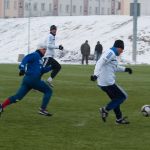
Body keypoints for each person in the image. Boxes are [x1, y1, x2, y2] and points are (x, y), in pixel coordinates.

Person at [0, 43, 53, 117]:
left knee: (17, 97)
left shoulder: (40, 59)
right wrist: (22, 68)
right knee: (48, 91)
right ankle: (42, 109)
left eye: (45, 49)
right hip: (33, 79)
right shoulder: (35, 55)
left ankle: (1, 106)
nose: (45, 51)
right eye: (44, 49)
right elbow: (25, 59)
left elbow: (41, 70)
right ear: (39, 49)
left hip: (28, 80)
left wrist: (51, 67)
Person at [90, 40, 133, 124]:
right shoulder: (111, 53)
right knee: (123, 96)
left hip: (103, 83)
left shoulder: (112, 55)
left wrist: (126, 69)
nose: (122, 51)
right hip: (108, 82)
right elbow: (100, 62)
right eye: (121, 49)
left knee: (115, 100)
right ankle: (105, 110)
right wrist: (95, 74)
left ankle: (119, 119)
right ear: (118, 47)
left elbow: (114, 67)